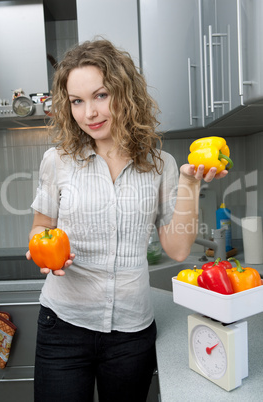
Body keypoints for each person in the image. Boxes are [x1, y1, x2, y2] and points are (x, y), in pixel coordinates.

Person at [26, 39, 228, 402]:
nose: (89, 112)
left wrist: (190, 182)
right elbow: (41, 226)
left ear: (125, 92)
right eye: (77, 101)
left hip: (131, 335)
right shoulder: (57, 161)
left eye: (101, 95)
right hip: (63, 327)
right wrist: (42, 251)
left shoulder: (161, 164)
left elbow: (178, 248)